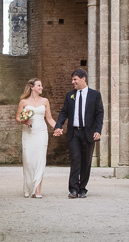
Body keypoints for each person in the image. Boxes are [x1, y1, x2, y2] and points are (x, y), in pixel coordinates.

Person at [53, 68, 104, 199]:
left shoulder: (95, 95)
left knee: (86, 161)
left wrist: (98, 130)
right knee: (76, 158)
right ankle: (73, 189)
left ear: (83, 79)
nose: (73, 82)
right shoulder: (70, 95)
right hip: (74, 132)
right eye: (72, 80)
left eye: (75, 79)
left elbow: (99, 114)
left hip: (88, 133)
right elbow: (64, 112)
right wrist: (58, 126)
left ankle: (82, 188)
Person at [16, 78, 56, 198]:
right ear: (32, 87)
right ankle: (29, 188)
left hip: (41, 132)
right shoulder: (23, 102)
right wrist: (24, 121)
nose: (41, 88)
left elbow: (49, 118)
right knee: (28, 160)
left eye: (41, 86)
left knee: (40, 160)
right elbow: (18, 117)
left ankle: (37, 191)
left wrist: (57, 127)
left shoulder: (45, 101)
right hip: (28, 133)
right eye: (39, 85)